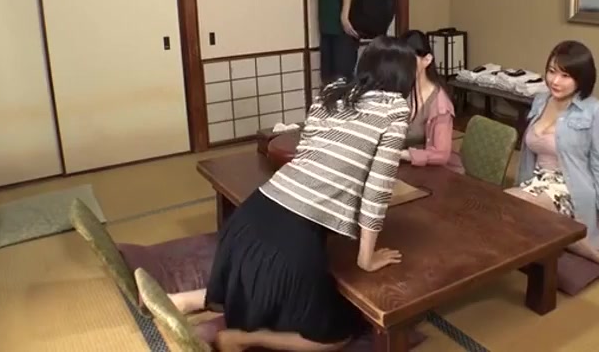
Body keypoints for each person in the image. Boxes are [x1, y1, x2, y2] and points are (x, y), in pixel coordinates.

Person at [162, 36, 417, 352]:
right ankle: (239, 339)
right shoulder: (395, 110)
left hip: (250, 216)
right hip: (289, 242)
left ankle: (185, 301)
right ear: (404, 77)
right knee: (335, 334)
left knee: (266, 283)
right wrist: (366, 259)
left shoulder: (333, 93)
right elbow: (377, 190)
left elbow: (308, 150)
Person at [509, 40, 599, 265]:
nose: (555, 81)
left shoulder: (595, 111)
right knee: (500, 205)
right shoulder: (540, 100)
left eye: (565, 76)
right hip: (535, 181)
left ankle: (578, 243)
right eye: (552, 71)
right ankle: (565, 238)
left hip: (570, 188)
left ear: (582, 78)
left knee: (520, 206)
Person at [397, 30, 464, 174]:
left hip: (431, 170)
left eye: (408, 60)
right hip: (402, 166)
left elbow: (441, 154)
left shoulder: (440, 104)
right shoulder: (400, 90)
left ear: (427, 60)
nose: (402, 67)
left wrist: (402, 154)